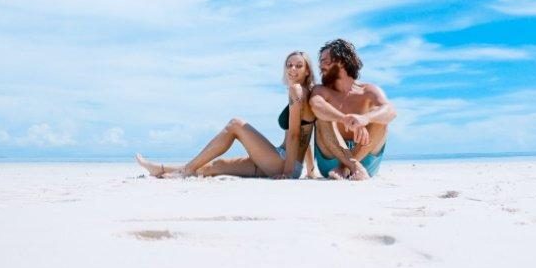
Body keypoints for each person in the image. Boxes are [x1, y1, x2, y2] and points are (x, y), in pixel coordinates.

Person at [136, 51, 318, 179]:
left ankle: (186, 170)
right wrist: (308, 170)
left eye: (298, 66)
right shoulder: (307, 93)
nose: (292, 69)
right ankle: (160, 169)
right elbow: (306, 134)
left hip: (283, 162)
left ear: (307, 70)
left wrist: (287, 173)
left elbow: (295, 135)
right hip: (288, 162)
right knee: (217, 166)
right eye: (289, 65)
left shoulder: (296, 91)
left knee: (236, 124)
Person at [310, 39, 396, 180]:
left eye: (326, 61)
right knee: (323, 118)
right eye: (320, 61)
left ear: (342, 61)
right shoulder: (321, 90)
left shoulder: (367, 90)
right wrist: (344, 118)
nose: (321, 65)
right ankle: (352, 166)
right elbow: (316, 105)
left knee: (381, 120)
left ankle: (346, 166)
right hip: (332, 158)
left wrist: (365, 118)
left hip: (365, 157)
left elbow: (390, 111)